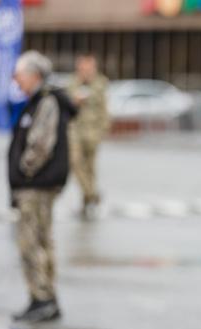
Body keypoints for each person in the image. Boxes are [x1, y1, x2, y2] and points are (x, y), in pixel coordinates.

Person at [8, 50, 77, 323]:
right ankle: (45, 298)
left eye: (19, 75)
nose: (16, 80)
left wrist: (24, 172)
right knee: (41, 240)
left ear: (34, 75)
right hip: (38, 183)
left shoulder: (46, 101)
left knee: (32, 242)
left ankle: (42, 298)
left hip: (36, 185)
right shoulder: (40, 100)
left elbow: (40, 144)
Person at [67, 53, 110, 220]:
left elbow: (104, 110)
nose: (85, 71)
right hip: (75, 130)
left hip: (92, 131)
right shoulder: (72, 83)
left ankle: (86, 203)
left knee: (90, 168)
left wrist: (102, 130)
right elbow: (67, 105)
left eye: (89, 68)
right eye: (82, 68)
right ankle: (92, 194)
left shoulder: (100, 84)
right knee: (75, 162)